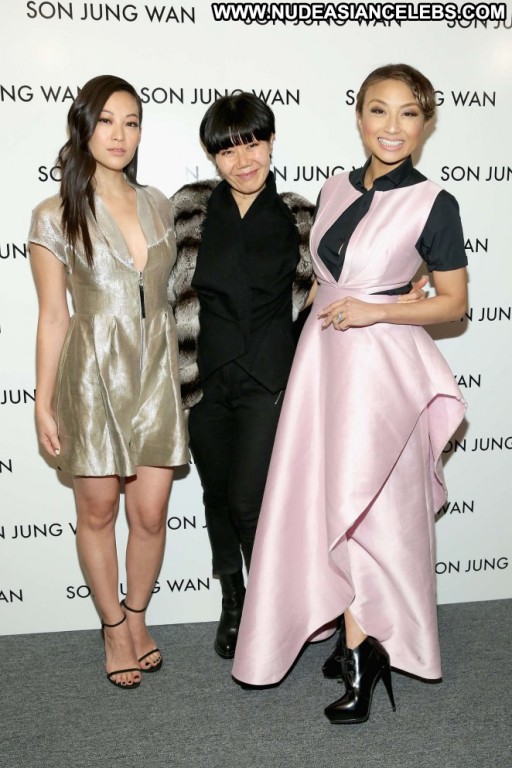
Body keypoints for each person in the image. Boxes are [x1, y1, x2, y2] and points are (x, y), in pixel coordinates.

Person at [232, 64, 468, 724]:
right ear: (359, 116)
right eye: (378, 110)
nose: (392, 127)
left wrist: (379, 310)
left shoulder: (434, 203)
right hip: (325, 364)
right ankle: (350, 633)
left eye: (408, 113)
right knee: (323, 498)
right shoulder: (333, 188)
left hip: (380, 372)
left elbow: (454, 302)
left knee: (366, 509)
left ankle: (367, 658)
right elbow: (326, 279)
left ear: (426, 124)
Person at [29, 75, 188, 689]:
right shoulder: (54, 215)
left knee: (151, 513)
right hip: (93, 375)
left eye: (132, 122)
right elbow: (53, 316)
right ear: (84, 127)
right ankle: (114, 627)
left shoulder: (160, 204)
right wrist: (43, 402)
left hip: (155, 371)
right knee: (97, 512)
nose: (119, 134)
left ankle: (139, 616)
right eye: (106, 121)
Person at [168, 93, 315, 659]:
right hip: (205, 377)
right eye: (227, 150)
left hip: (270, 381)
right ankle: (234, 599)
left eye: (252, 143)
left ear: (271, 142)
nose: (243, 159)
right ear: (213, 157)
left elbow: (338, 284)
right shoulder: (189, 208)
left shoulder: (303, 216)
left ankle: (273, 610)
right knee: (216, 494)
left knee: (251, 501)